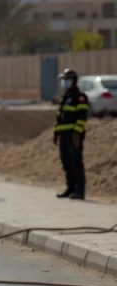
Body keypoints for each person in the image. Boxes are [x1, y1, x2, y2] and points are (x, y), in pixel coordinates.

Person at [54, 68, 89, 199]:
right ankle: (70, 188)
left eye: (66, 80)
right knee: (66, 163)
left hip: (73, 136)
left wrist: (77, 134)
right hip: (63, 136)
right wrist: (55, 133)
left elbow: (82, 117)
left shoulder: (79, 97)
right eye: (63, 80)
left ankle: (79, 191)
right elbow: (59, 117)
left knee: (76, 162)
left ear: (73, 81)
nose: (64, 82)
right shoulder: (65, 97)